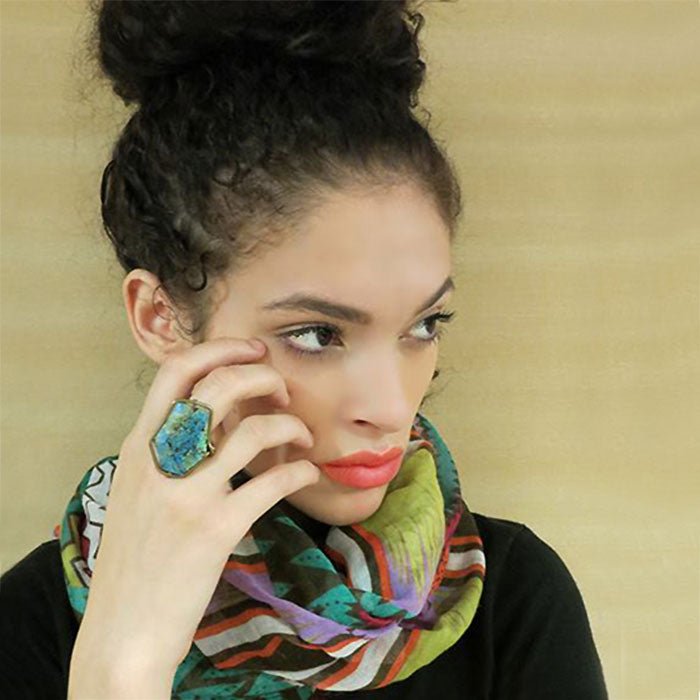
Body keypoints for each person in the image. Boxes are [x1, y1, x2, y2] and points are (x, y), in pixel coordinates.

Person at [0, 1, 609, 698]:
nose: (390, 409)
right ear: (160, 317)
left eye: (423, 325)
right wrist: (124, 662)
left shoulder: (513, 600)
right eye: (318, 335)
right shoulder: (31, 628)